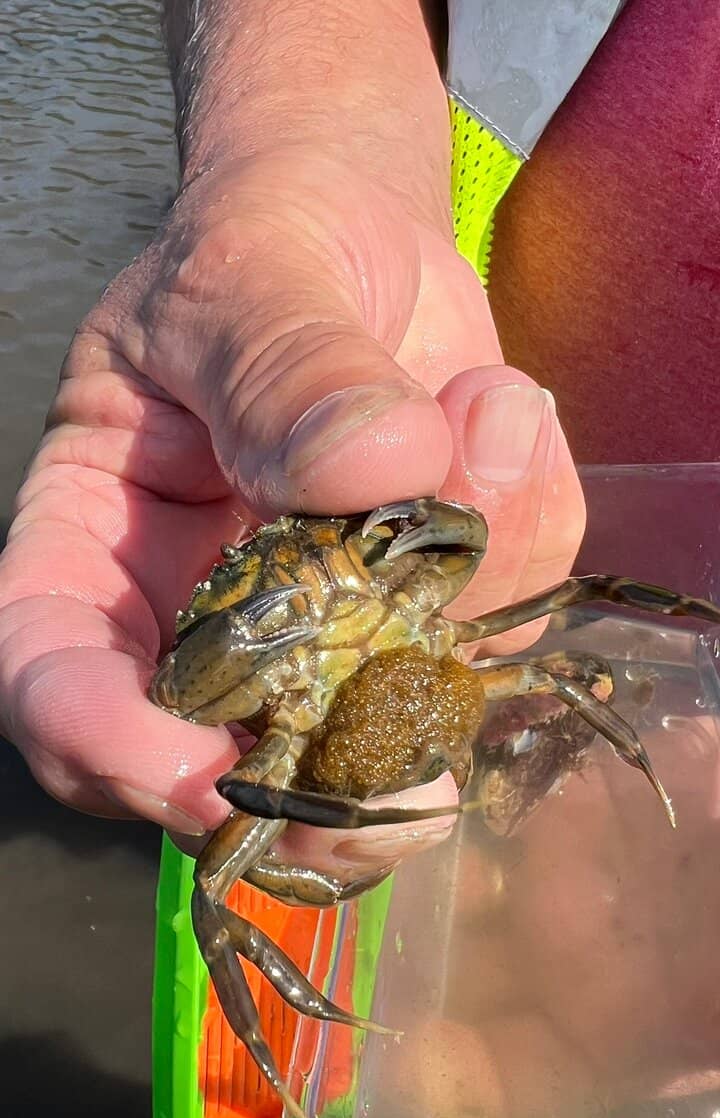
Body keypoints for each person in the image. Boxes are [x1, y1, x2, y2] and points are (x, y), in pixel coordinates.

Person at [0, 0, 584, 864]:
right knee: (255, 856)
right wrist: (304, 138)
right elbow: (183, 702)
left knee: (571, 716)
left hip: (537, 526)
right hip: (449, 373)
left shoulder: (397, 572)